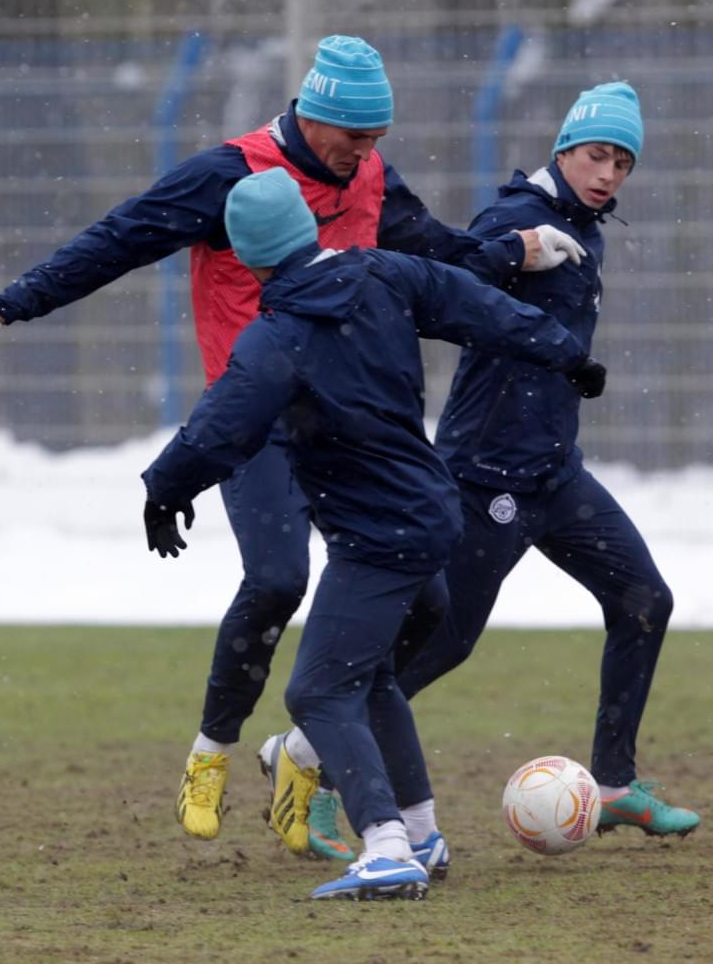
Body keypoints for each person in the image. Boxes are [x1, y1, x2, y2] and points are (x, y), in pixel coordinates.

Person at [0, 34, 580, 860]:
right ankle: (212, 751)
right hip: (260, 415)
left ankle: (307, 747)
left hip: (354, 421)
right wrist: (3, 310)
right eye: (354, 137)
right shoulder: (227, 175)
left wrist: (509, 251)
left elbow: (429, 254)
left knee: (424, 599)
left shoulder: (369, 169)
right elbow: (115, 239)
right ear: (312, 115)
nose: (365, 155)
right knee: (277, 576)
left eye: (377, 139)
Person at [140, 165, 599, 900]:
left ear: (248, 256)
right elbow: (478, 306)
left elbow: (217, 430)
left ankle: (383, 847)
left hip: (377, 540)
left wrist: (162, 492)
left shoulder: (276, 338)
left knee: (318, 690)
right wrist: (564, 349)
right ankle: (420, 832)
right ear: (309, 228)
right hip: (433, 516)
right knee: (373, 674)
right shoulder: (383, 273)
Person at [389, 82, 700, 838]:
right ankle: (322, 759)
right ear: (562, 148)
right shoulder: (514, 220)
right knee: (442, 644)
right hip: (482, 477)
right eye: (597, 155)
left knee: (643, 601)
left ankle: (616, 782)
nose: (608, 174)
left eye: (622, 163)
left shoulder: (583, 226)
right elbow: (446, 300)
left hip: (554, 475)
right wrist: (507, 261)